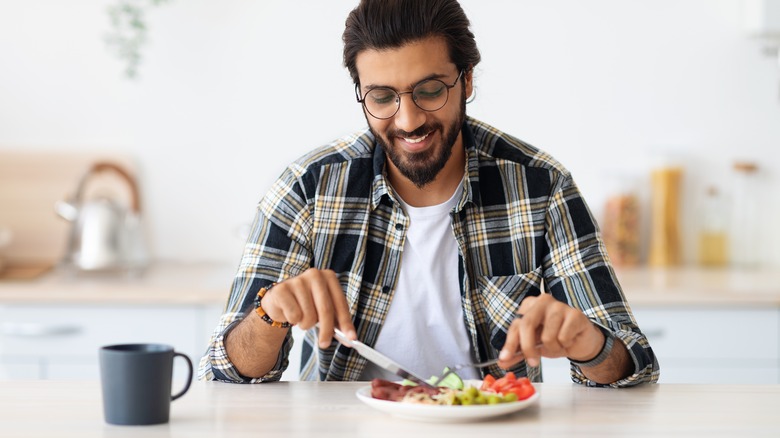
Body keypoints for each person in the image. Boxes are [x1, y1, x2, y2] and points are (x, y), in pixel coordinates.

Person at [199, 0, 659, 387]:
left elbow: (635, 369)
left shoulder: (540, 186)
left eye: (430, 90)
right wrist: (271, 315)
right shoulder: (308, 187)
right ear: (361, 93)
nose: (407, 120)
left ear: (467, 81)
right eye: (382, 97)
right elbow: (223, 374)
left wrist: (589, 344)